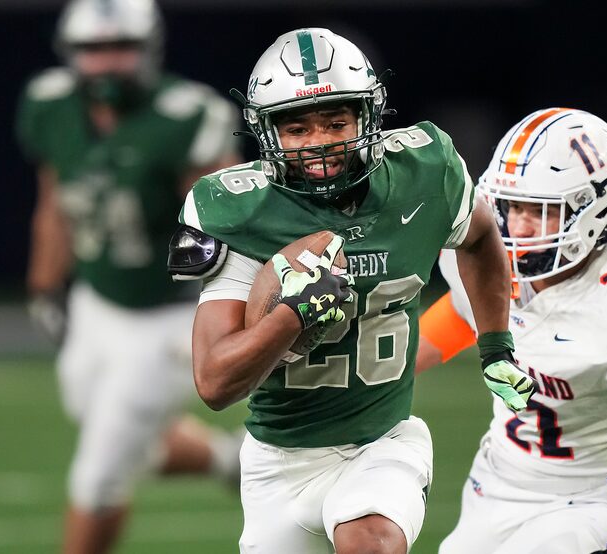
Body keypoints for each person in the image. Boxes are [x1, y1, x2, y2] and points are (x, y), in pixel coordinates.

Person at [167, 27, 535, 554]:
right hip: (278, 463)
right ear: (267, 133)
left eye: (336, 122)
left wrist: (496, 346)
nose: (320, 143)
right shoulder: (236, 210)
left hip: (382, 442)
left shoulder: (424, 172)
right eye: (297, 129)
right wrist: (291, 318)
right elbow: (215, 382)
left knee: (371, 542)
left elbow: (479, 238)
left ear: (368, 117)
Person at [15, 0, 245, 551]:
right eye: (93, 50)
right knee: (125, 442)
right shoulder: (51, 106)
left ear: (148, 49)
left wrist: (229, 315)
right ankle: (231, 461)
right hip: (97, 302)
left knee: (98, 477)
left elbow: (234, 219)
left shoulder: (185, 116)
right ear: (71, 54)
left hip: (168, 315)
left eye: (120, 48)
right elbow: (55, 202)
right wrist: (45, 287)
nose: (107, 64)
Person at [417, 107, 607, 553]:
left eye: (539, 211)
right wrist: (369, 378)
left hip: (588, 498)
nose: (518, 227)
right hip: (496, 482)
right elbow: (460, 316)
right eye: (512, 207)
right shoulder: (487, 253)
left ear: (593, 211)